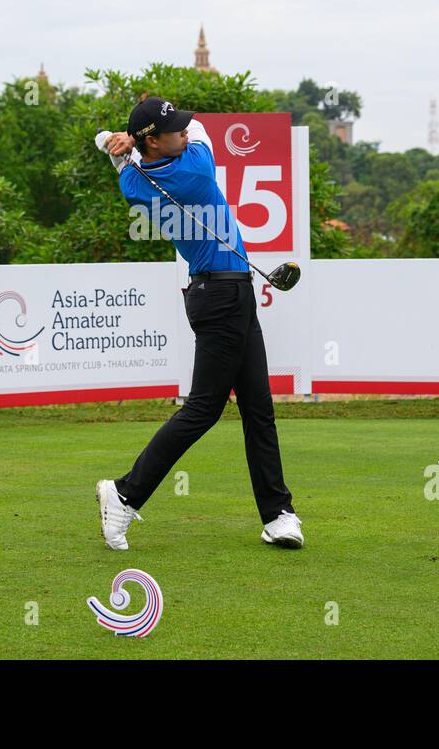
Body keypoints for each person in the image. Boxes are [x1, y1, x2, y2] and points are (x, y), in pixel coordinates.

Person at [92, 95, 302, 550]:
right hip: (221, 296)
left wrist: (114, 140)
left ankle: (278, 514)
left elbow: (111, 148)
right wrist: (121, 139)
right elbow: (203, 129)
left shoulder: (134, 181)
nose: (185, 131)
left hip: (224, 292)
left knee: (258, 407)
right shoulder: (197, 167)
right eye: (175, 129)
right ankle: (124, 493)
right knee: (204, 409)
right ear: (153, 140)